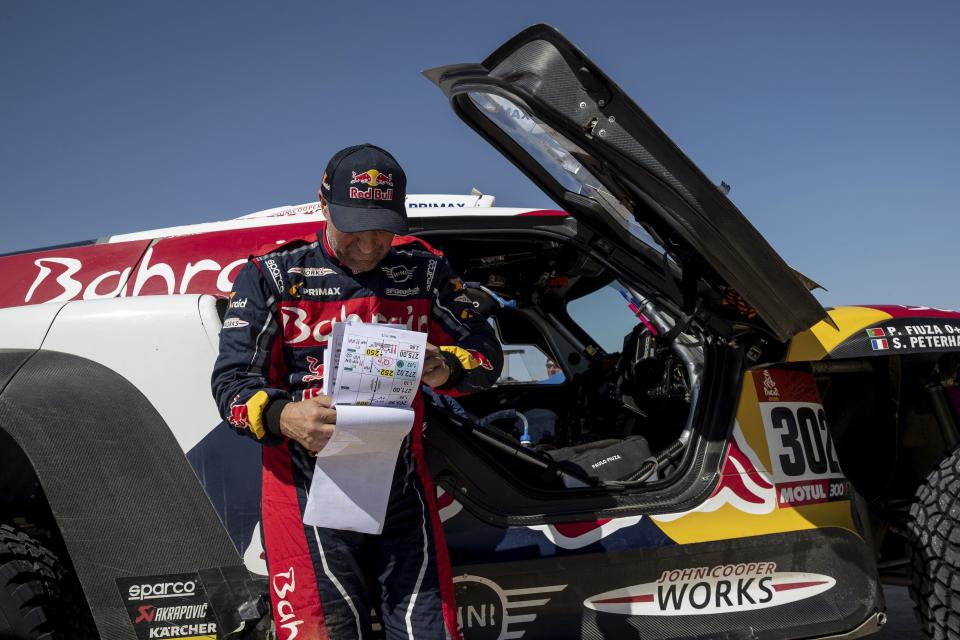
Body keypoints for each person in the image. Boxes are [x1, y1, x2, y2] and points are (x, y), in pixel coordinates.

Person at [211, 144, 503, 640]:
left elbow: (487, 356)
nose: (368, 247)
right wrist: (286, 417)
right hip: (303, 495)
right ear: (323, 207)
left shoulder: (426, 271)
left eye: (383, 232)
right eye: (354, 230)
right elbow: (231, 385)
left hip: (403, 489)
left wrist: (446, 366)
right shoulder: (273, 275)